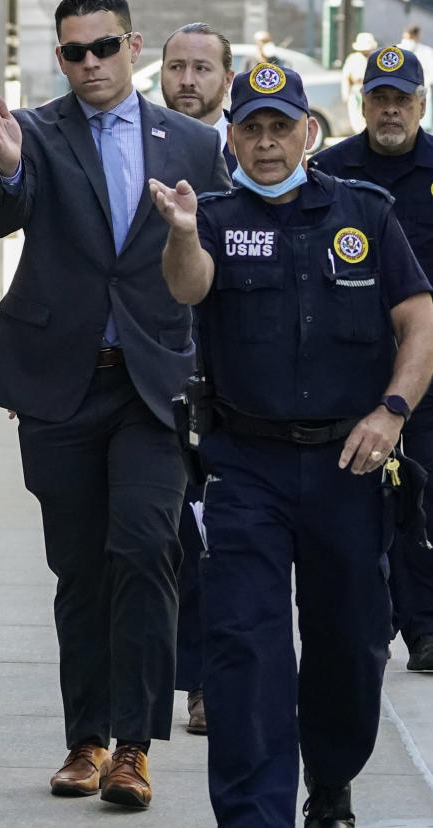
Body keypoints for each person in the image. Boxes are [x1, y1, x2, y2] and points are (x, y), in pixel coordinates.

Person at [151, 62, 433, 827]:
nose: (267, 143)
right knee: (247, 647)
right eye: (252, 128)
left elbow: (417, 320)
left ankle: (332, 783)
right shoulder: (208, 216)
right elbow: (188, 284)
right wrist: (180, 233)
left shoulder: (365, 213)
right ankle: (254, 814)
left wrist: (394, 410)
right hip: (247, 467)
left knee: (351, 643)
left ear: (310, 131)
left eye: (281, 127)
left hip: (351, 463)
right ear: (232, 137)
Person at [0, 0, 230, 808]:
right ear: (61, 57)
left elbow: (216, 258)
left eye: (104, 47)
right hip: (63, 381)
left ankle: (132, 747)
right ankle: (83, 741)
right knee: (80, 568)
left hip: (153, 384)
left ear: (133, 47)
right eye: (74, 52)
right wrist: (10, 166)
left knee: (146, 549)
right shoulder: (37, 132)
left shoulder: (192, 142)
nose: (90, 63)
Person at [311, 47, 433, 673]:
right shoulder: (328, 172)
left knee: (424, 498)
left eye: (402, 99)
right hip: (351, 370)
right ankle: (369, 623)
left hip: (428, 369)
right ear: (363, 105)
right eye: (379, 98)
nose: (391, 110)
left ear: (420, 103)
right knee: (356, 502)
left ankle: (426, 626)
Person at [158, 20, 236, 737]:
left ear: (225, 79)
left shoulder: (254, 156)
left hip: (230, 380)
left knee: (221, 535)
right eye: (176, 66)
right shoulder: (137, 152)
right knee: (169, 534)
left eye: (202, 69)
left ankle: (209, 682)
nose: (187, 80)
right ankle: (177, 677)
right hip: (150, 373)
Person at [343, 32, 379, 134]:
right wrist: (346, 93)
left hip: (372, 91)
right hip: (356, 91)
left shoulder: (376, 58)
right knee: (356, 118)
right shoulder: (353, 59)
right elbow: (346, 77)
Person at [399, 25, 433, 131]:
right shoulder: (398, 49)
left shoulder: (426, 52)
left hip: (420, 92)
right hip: (402, 92)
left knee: (421, 126)